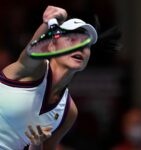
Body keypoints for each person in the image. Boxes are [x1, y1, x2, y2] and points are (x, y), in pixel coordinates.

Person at [0, 5, 98, 150]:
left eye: (86, 43)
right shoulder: (33, 70)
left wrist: (36, 145)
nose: (81, 47)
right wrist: (49, 21)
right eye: (72, 39)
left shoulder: (69, 111)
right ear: (51, 46)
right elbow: (32, 52)